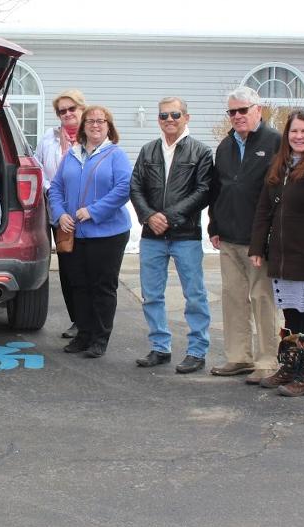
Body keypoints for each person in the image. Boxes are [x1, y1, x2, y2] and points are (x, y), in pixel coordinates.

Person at [130, 97, 215, 374]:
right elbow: (135, 188)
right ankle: (159, 346)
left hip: (186, 235)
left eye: (175, 115)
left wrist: (168, 217)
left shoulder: (200, 152)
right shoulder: (148, 151)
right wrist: (148, 216)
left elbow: (203, 191)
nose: (169, 119)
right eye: (164, 115)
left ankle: (197, 351)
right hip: (152, 236)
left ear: (186, 117)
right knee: (152, 295)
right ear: (158, 119)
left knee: (194, 295)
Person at [248, 109, 304, 396]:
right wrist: (258, 246)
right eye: (294, 131)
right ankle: (290, 366)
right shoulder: (279, 165)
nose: (299, 136)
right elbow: (263, 209)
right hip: (282, 253)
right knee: (291, 314)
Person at [208, 87, 282, 384]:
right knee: (234, 298)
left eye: (243, 110)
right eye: (232, 112)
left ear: (258, 110)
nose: (237, 116)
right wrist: (214, 226)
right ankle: (239, 357)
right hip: (228, 237)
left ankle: (267, 360)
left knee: (262, 298)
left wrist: (268, 237)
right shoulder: (225, 146)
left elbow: (277, 193)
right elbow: (218, 189)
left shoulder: (275, 142)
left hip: (258, 241)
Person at [48, 105, 132, 358]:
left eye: (101, 121)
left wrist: (94, 211)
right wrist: (61, 213)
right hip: (75, 233)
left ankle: (99, 338)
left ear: (109, 126)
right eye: (91, 121)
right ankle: (83, 335)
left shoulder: (116, 155)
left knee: (102, 287)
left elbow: (124, 188)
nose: (96, 125)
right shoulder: (71, 155)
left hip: (108, 234)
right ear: (83, 126)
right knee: (79, 286)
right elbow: (56, 188)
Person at [34, 88, 86, 340]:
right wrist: (50, 190)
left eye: (71, 109)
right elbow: (38, 168)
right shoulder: (49, 138)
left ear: (82, 109)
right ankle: (77, 321)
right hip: (58, 213)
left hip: (88, 215)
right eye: (61, 111)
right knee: (68, 269)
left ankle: (92, 323)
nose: (66, 114)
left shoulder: (93, 137)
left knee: (90, 270)